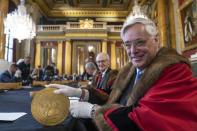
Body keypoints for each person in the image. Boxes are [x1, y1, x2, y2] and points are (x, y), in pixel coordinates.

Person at [52, 7, 197, 131]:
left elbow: (145, 117)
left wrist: (93, 111)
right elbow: (112, 98)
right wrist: (82, 93)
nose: (133, 51)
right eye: (128, 45)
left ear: (156, 40)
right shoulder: (130, 70)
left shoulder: (175, 70)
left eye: (140, 42)